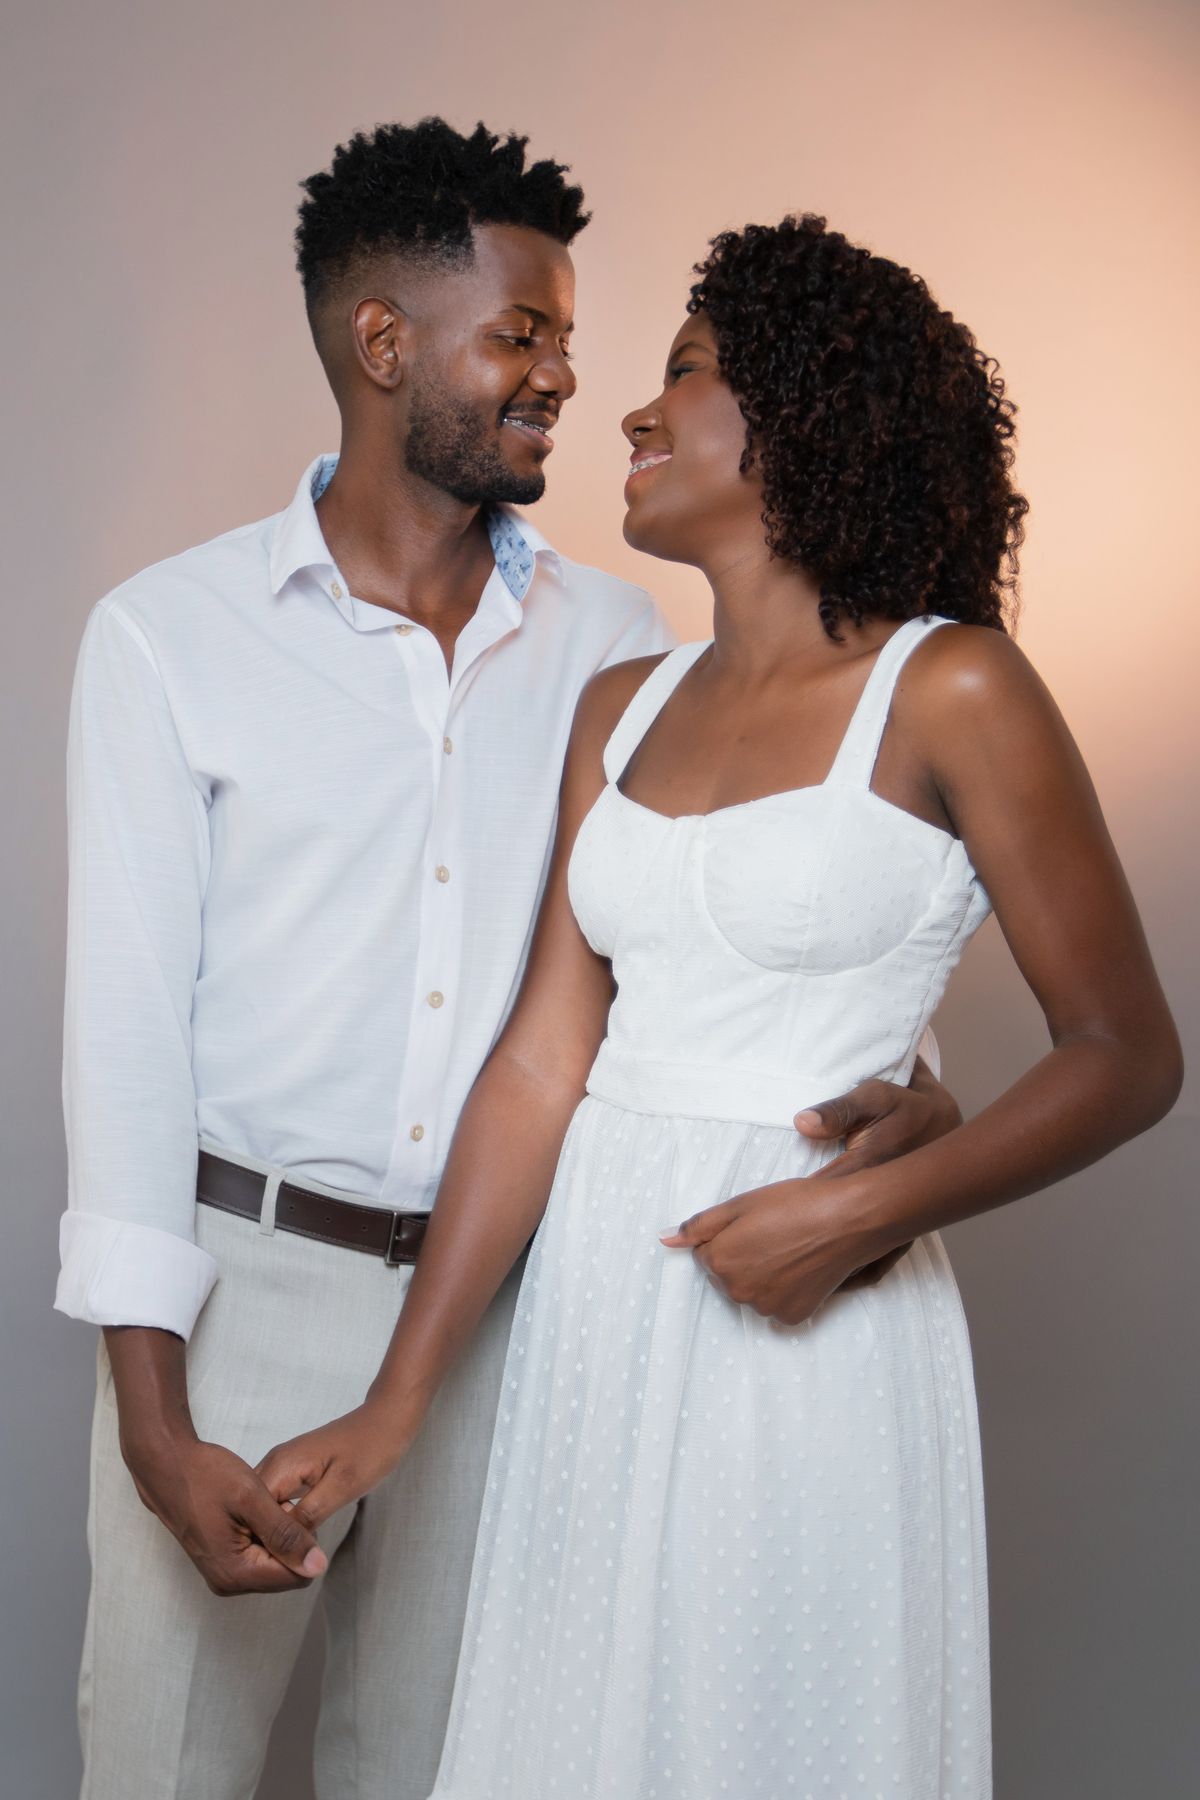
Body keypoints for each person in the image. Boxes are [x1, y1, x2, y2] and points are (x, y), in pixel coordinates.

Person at [56, 128, 955, 1800]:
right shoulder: (168, 639)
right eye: (520, 333)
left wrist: (890, 1073)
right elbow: (120, 1046)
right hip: (242, 1294)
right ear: (384, 345)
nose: (562, 374)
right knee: (162, 1776)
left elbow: (710, 921)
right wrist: (155, 1419)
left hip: (533, 1319)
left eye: (567, 333)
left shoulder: (627, 648)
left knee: (468, 1772)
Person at [258, 216, 1183, 1799]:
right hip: (595, 1322)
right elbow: (546, 1065)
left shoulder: (952, 688)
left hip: (805, 1327)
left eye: (687, 375)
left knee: (766, 1738)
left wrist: (853, 1214)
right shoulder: (622, 709)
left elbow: (1127, 1054)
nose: (631, 408)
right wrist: (398, 1400)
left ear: (806, 419)